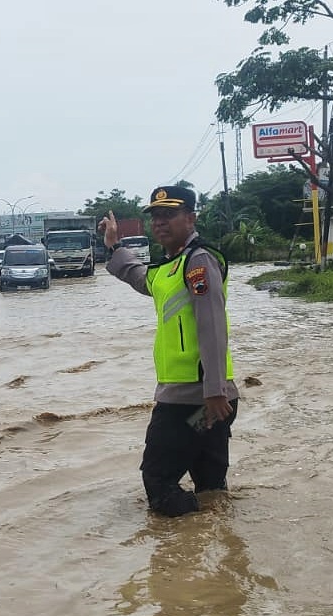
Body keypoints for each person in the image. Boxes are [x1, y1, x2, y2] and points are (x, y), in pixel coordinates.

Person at [99, 185, 239, 517]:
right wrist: (115, 246)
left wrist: (214, 390)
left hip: (195, 401)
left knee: (158, 479)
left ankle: (183, 541)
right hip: (207, 401)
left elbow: (212, 325)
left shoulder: (198, 261)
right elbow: (140, 277)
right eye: (156, 216)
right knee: (210, 485)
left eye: (169, 215)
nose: (160, 222)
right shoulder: (171, 267)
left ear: (190, 218)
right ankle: (215, 538)